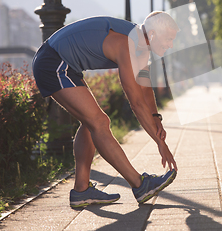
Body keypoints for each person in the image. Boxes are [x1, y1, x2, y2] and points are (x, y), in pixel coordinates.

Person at [32, 12, 179, 208]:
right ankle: (140, 185)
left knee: (91, 123)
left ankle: (81, 190)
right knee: (99, 122)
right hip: (53, 62)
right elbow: (135, 101)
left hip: (63, 64)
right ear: (152, 34)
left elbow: (144, 87)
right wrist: (160, 143)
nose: (170, 45)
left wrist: (156, 118)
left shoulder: (140, 47)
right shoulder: (129, 45)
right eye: (168, 39)